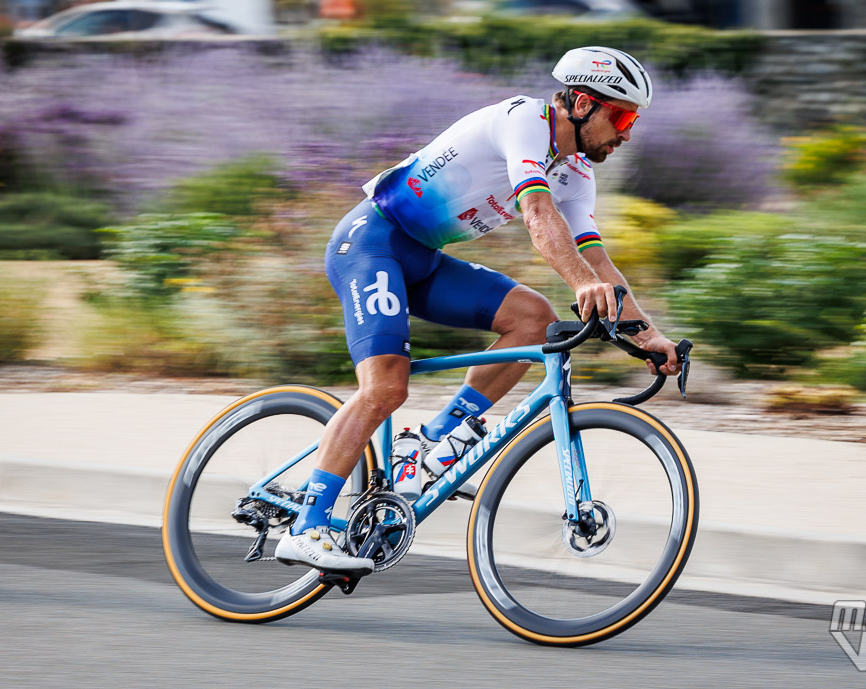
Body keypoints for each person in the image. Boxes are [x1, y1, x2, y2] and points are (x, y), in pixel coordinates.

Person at [275, 46, 682, 575]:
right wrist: (581, 284)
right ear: (582, 102)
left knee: (533, 318)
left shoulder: (576, 173)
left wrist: (647, 334)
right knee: (386, 387)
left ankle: (437, 442)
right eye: (622, 116)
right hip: (371, 243)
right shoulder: (522, 121)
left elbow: (597, 257)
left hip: (421, 262)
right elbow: (537, 215)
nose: (626, 133)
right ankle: (307, 525)